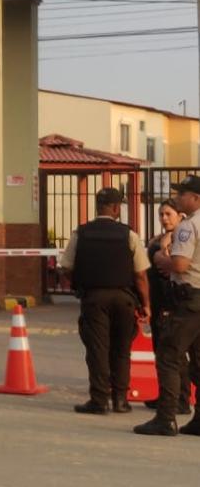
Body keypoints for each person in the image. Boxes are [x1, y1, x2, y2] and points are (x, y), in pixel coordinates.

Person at [58, 187, 151, 415]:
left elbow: (66, 267)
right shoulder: (128, 235)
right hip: (124, 299)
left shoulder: (81, 233)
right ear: (117, 208)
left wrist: (82, 281)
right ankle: (120, 400)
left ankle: (99, 400)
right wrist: (146, 304)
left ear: (98, 206)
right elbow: (140, 274)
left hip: (94, 298)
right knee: (121, 349)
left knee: (98, 349)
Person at [135, 175, 200, 436]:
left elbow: (180, 265)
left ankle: (166, 417)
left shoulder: (188, 227)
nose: (177, 197)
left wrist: (163, 258)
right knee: (198, 360)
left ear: (195, 198)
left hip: (188, 298)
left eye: (182, 193)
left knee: (168, 355)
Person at [145, 199, 192, 414]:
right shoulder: (159, 239)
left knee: (174, 354)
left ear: (180, 216)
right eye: (161, 214)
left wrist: (163, 247)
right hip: (158, 302)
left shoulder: (179, 241)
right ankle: (166, 395)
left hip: (172, 302)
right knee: (162, 351)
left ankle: (179, 401)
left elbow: (169, 267)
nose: (164, 218)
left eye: (168, 214)